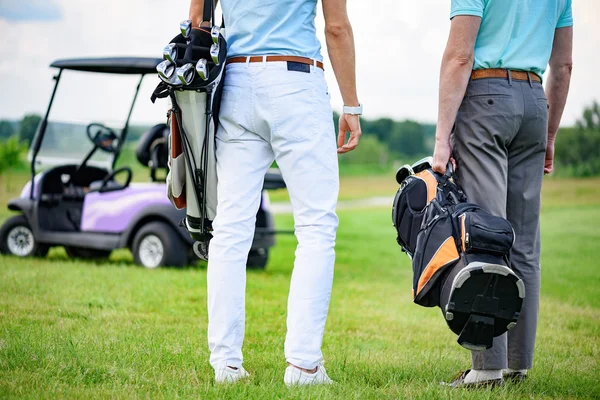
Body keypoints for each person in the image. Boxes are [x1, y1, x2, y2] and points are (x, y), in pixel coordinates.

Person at [187, 0, 362, 385]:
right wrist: (351, 103)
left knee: (230, 229)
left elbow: (197, 20)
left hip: (234, 82)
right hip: (295, 80)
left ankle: (226, 364)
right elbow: (336, 28)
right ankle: (303, 365)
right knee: (316, 226)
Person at [432, 0, 573, 387]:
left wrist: (442, 138)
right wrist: (549, 134)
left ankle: (486, 369)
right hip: (534, 102)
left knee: (486, 238)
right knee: (525, 243)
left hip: (485, 97)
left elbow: (460, 56)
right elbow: (562, 66)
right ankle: (517, 364)